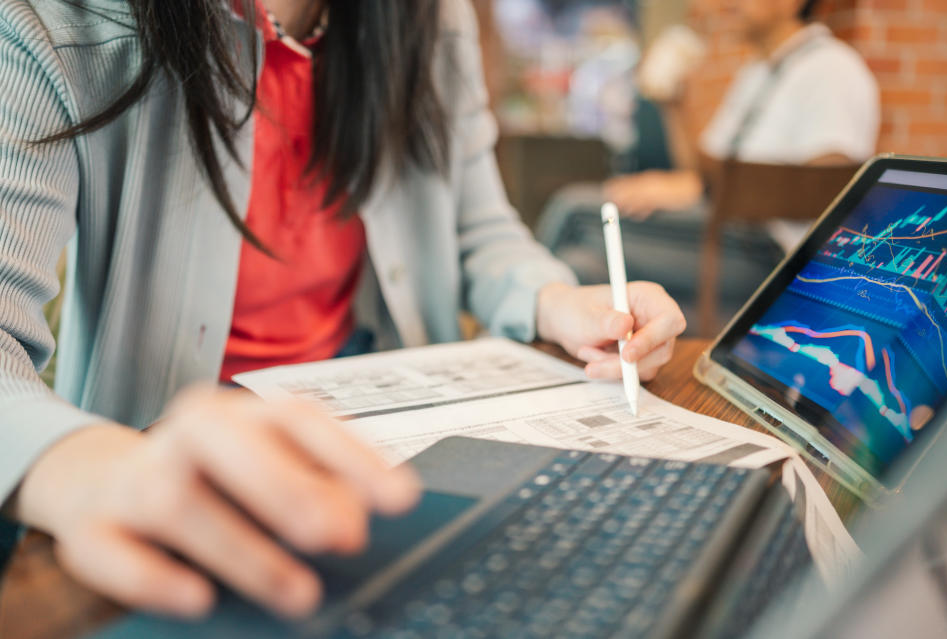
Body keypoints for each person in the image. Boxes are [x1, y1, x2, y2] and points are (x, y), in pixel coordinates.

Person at [0, 0, 686, 620]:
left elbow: (480, 230)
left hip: (404, 439)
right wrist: (90, 468)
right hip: (182, 462)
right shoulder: (50, 24)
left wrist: (558, 299)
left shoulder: (430, 20)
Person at [540, 0, 879, 329]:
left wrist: (703, 186)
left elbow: (828, 190)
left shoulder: (834, 69)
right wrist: (673, 104)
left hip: (767, 254)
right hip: (721, 230)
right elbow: (703, 171)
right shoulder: (756, 73)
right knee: (580, 264)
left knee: (576, 210)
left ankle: (515, 332)